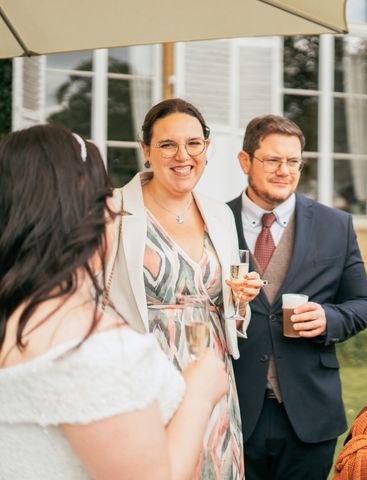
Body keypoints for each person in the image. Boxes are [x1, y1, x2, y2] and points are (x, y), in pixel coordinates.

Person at [0, 125, 227, 479]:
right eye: (102, 192)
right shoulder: (89, 349)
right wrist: (199, 396)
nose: (112, 205)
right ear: (79, 210)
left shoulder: (17, 317)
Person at [108, 98, 263, 479]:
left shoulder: (220, 215)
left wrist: (240, 300)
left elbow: (226, 308)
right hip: (144, 382)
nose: (184, 155)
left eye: (194, 143)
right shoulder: (112, 211)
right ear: (146, 150)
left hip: (212, 380)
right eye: (168, 145)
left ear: (206, 148)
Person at [226, 114, 367, 479]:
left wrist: (328, 319)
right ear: (246, 161)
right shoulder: (214, 222)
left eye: (293, 161)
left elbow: (362, 304)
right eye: (273, 160)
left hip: (310, 412)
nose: (284, 170)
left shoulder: (335, 224)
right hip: (235, 409)